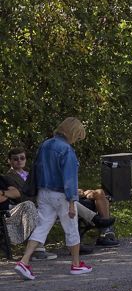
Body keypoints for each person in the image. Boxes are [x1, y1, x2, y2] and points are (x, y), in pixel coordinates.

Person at [14, 118, 92, 280]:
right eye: (78, 136)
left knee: (41, 227)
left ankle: (24, 261)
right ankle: (76, 264)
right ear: (73, 133)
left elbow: (36, 168)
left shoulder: (45, 145)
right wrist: (72, 202)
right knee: (71, 228)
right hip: (61, 195)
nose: (76, 140)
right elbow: (70, 178)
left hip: (43, 192)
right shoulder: (66, 150)